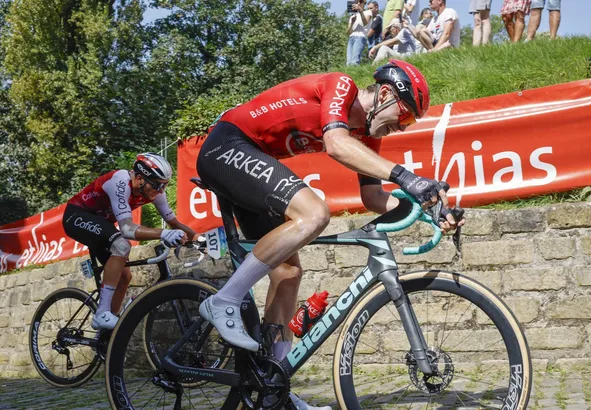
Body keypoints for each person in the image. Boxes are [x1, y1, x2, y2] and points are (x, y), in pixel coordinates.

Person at [195, 60, 464, 409]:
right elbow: (335, 144)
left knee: (288, 273)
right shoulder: (341, 86)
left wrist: (428, 210)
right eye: (406, 115)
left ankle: (275, 390)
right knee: (315, 213)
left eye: (410, 123)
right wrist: (408, 177)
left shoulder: (366, 136)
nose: (401, 126)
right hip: (229, 145)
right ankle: (224, 300)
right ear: (385, 93)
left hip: (251, 158)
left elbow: (373, 197)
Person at [63, 153, 199, 330]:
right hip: (76, 216)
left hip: (102, 225)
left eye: (165, 185)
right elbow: (127, 229)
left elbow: (174, 223)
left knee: (124, 276)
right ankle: (102, 313)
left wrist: (199, 239)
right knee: (121, 245)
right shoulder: (120, 182)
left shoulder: (154, 192)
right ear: (140, 179)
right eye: (158, 185)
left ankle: (107, 332)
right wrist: (164, 233)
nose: (161, 191)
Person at [346, 0, 371, 66]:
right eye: (357, 2)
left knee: (354, 61)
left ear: (364, 3)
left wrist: (361, 11)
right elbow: (348, 32)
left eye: (360, 1)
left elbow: (365, 23)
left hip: (360, 37)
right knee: (348, 62)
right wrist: (352, 23)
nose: (358, 3)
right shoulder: (352, 16)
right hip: (351, 38)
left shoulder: (368, 12)